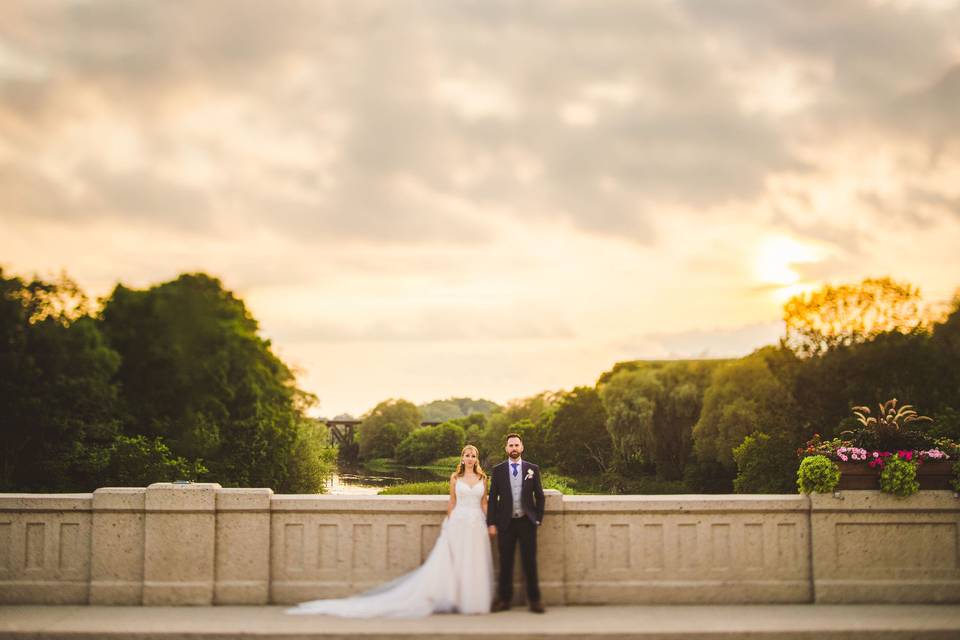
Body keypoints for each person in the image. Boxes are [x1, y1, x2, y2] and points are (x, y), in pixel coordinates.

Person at [287, 445, 494, 618]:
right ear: (462, 458)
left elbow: (484, 503)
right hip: (457, 522)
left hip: (476, 523)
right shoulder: (454, 478)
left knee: (473, 561)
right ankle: (455, 599)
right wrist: (448, 523)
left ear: (477, 459)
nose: (470, 458)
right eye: (467, 455)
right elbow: (452, 502)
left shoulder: (483, 478)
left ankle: (473, 602)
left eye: (473, 455)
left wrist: (490, 522)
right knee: (455, 561)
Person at [486, 432, 546, 613]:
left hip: (527, 522)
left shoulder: (532, 469)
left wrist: (538, 518)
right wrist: (492, 523)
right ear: (506, 449)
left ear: (522, 447)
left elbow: (540, 496)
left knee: (530, 561)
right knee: (506, 563)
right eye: (510, 445)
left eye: (516, 445)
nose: (513, 448)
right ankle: (504, 600)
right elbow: (492, 499)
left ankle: (535, 600)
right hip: (506, 523)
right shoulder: (498, 470)